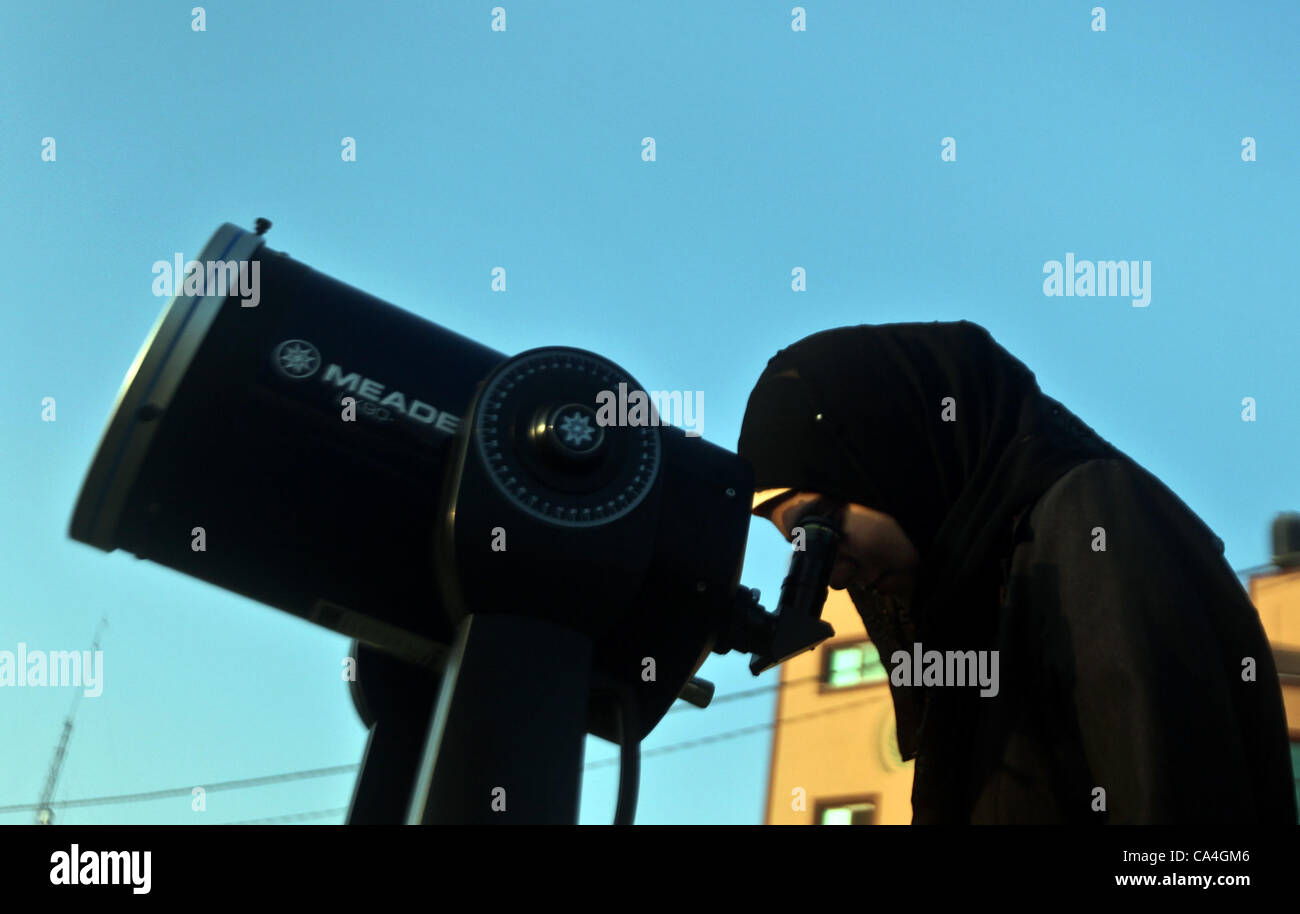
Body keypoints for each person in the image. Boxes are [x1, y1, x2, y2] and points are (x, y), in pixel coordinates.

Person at [737, 320, 1297, 824]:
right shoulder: (977, 599)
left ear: (891, 454)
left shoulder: (1089, 518)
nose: (834, 576)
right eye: (803, 550)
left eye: (822, 530)